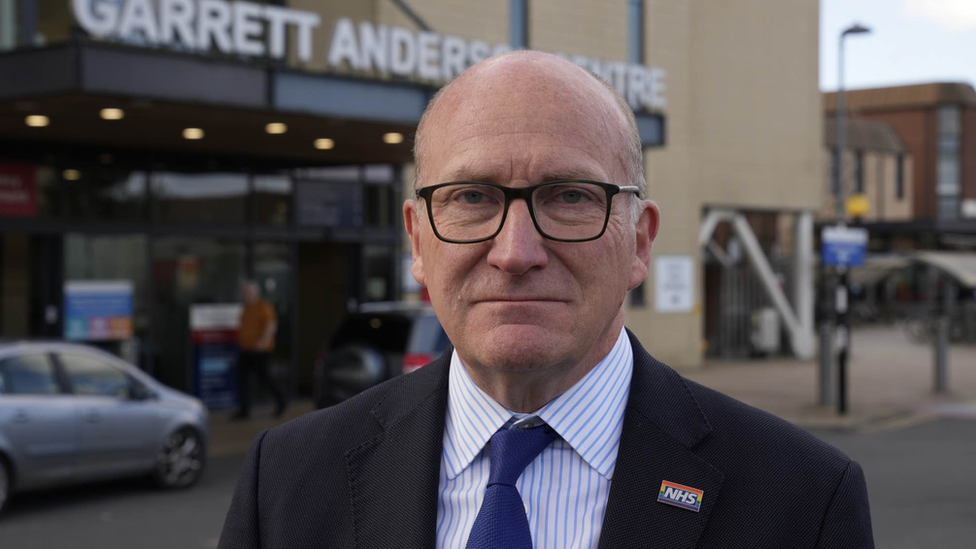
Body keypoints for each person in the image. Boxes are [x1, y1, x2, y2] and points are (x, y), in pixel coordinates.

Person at [219, 52, 873, 548]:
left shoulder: (805, 498)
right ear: (418, 240)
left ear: (639, 242)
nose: (516, 251)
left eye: (569, 197)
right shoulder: (283, 479)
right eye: (472, 197)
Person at [233, 280, 285, 419]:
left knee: (265, 379)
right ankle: (244, 411)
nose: (245, 295)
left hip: (260, 351)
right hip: (246, 350)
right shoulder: (246, 308)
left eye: (247, 292)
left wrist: (262, 342)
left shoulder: (263, 307)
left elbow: (271, 325)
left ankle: (281, 401)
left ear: (255, 293)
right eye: (244, 292)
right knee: (242, 379)